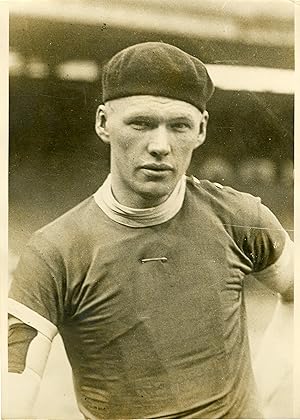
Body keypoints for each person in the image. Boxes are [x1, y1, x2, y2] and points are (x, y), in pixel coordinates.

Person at [5, 42, 293, 419]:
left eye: (179, 126)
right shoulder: (54, 250)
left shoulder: (240, 217)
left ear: (201, 129)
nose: (160, 145)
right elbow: (15, 384)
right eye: (140, 123)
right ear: (103, 123)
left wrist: (261, 391)